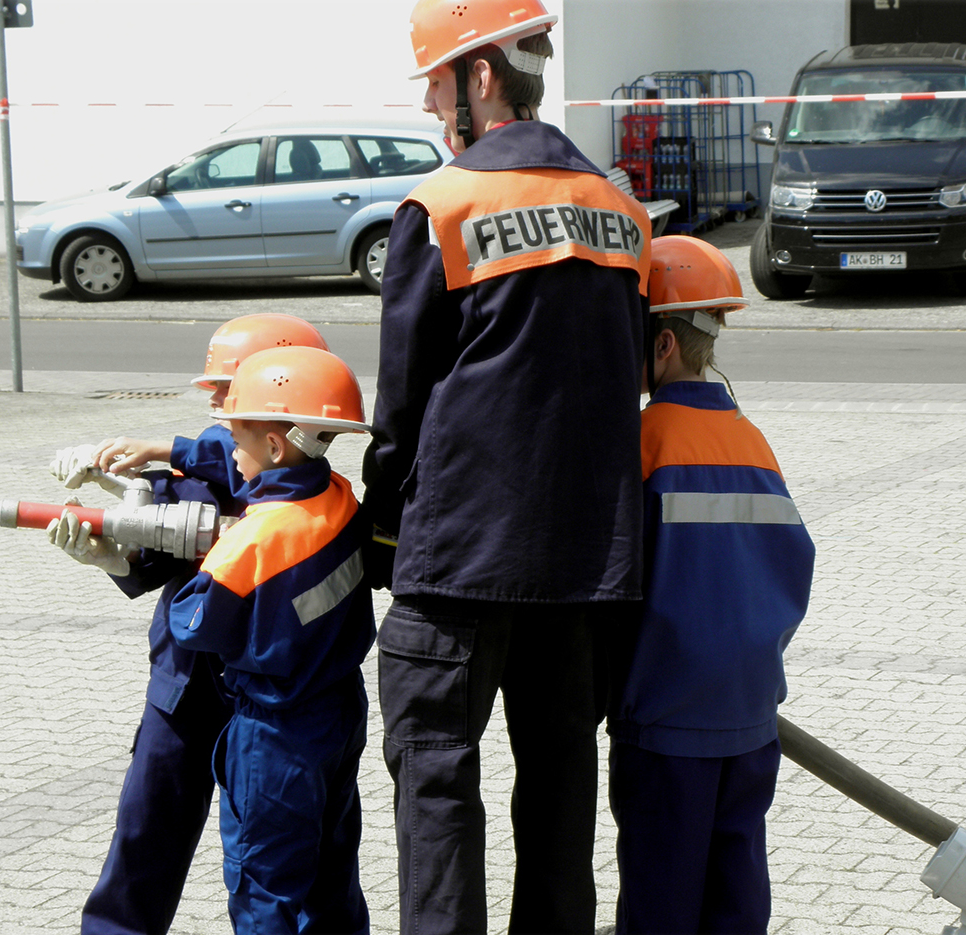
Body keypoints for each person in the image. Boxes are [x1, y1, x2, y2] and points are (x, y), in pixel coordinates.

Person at [360, 1, 652, 931]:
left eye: (435, 83)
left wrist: (379, 530)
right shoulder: (621, 211)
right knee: (562, 788)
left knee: (437, 787)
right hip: (583, 569)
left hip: (455, 565)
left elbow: (401, 404)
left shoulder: (442, 206)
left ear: (481, 77)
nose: (428, 106)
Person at [46, 313, 330, 935]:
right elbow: (151, 557)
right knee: (145, 838)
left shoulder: (306, 490)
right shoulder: (206, 463)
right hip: (183, 688)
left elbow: (232, 472)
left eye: (228, 386)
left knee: (288, 863)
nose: (216, 400)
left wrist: (164, 450)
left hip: (275, 705)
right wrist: (113, 552)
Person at [606, 236, 816, 935]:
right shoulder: (752, 441)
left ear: (662, 344)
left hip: (666, 721)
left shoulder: (643, 441)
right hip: (749, 717)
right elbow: (792, 563)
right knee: (736, 894)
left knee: (662, 902)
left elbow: (611, 586)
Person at [168, 345, 376, 934]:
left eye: (236, 438)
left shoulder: (253, 540)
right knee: (332, 873)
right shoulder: (340, 499)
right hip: (338, 711)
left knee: (265, 886)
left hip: (275, 733)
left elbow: (194, 624)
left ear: (276, 446)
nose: (232, 453)